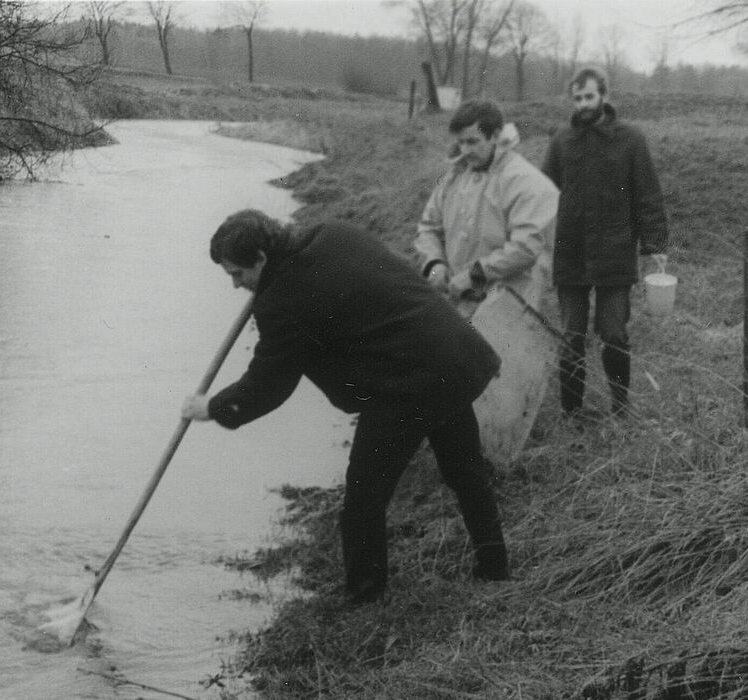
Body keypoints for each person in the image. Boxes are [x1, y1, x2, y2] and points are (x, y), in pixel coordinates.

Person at [181, 209, 510, 606]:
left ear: (263, 258)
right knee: (466, 472)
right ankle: (496, 572)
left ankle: (364, 600)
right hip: (453, 357)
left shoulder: (281, 299)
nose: (236, 285)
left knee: (363, 500)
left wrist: (213, 408)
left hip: (407, 383)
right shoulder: (333, 233)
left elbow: (270, 385)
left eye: (238, 273)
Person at [542, 66, 669, 418]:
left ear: (604, 97)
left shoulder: (630, 139)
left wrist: (655, 245)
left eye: (589, 96)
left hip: (614, 254)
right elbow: (540, 194)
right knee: (572, 337)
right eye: (578, 97)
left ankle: (620, 406)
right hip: (570, 254)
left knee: (614, 334)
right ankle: (572, 413)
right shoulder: (561, 140)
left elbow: (648, 195)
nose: (583, 104)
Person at [415, 99, 558, 318]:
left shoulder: (525, 181)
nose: (465, 150)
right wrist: (434, 264)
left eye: (473, 141)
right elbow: (427, 227)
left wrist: (476, 275)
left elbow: (526, 247)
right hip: (458, 302)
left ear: (496, 135)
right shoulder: (454, 176)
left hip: (505, 308)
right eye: (461, 142)